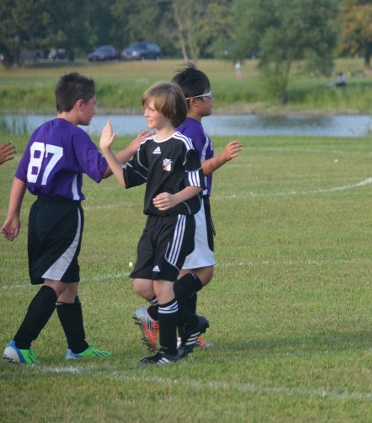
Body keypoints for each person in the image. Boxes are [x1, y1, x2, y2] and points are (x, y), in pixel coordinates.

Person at [2, 72, 145, 364]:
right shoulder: (75, 135)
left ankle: (77, 347)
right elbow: (102, 171)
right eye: (93, 104)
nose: (95, 110)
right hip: (63, 215)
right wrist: (132, 149)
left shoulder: (41, 130)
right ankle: (19, 344)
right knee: (55, 282)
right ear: (80, 104)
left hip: (40, 211)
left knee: (69, 281)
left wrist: (13, 213)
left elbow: (20, 175)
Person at [131, 63, 242, 353]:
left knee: (184, 271)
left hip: (180, 208)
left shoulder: (183, 128)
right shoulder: (191, 130)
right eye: (209, 94)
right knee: (202, 273)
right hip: (191, 205)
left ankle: (186, 332)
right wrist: (222, 158)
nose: (212, 100)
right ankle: (156, 315)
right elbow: (190, 173)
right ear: (193, 102)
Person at [99, 81, 207, 364]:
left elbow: (197, 183)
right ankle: (191, 322)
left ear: (168, 111)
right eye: (145, 108)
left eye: (151, 108)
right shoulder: (147, 146)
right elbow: (126, 180)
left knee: (163, 284)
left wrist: (175, 198)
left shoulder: (183, 144)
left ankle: (168, 352)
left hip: (177, 222)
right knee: (142, 286)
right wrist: (107, 151)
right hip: (153, 225)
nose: (146, 113)